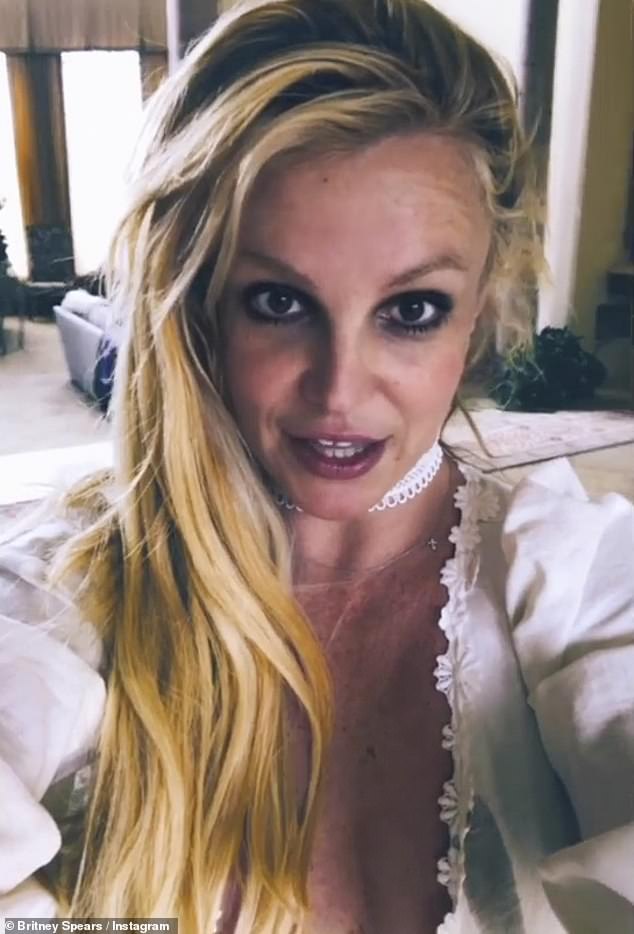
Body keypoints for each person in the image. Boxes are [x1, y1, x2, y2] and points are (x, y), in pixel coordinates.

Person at [1, 1, 633, 931]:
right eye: (278, 301)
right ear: (199, 301)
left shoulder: (576, 578)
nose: (340, 389)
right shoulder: (62, 593)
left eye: (411, 310)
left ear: (479, 309)